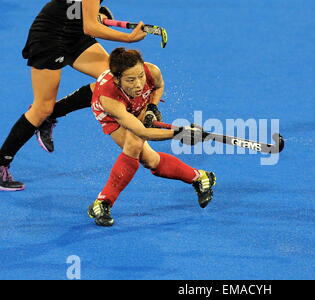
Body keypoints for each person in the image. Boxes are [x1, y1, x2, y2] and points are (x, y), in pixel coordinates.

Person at [0, 0, 148, 191]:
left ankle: (50, 117)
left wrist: (95, 14)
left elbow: (78, 8)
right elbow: (91, 27)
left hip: (74, 33)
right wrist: (128, 39)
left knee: (111, 80)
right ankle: (2, 161)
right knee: (42, 108)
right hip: (49, 37)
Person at [88, 48, 216, 226]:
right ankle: (200, 177)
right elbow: (142, 132)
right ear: (117, 79)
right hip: (113, 114)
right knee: (144, 154)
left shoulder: (152, 71)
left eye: (140, 76)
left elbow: (158, 86)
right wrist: (181, 133)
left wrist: (152, 108)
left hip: (137, 105)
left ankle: (102, 203)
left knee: (143, 154)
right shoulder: (109, 100)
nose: (139, 84)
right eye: (131, 80)